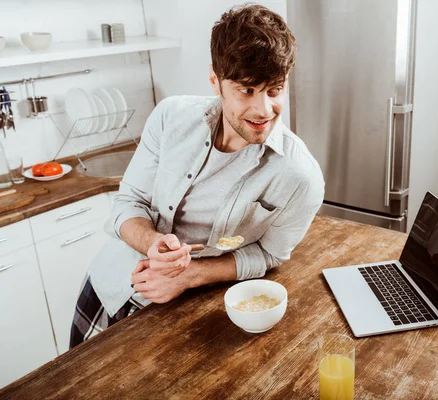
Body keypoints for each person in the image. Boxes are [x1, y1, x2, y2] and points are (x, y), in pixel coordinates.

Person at [70, 4, 324, 348]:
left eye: (274, 90)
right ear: (215, 80)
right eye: (246, 90)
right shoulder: (170, 116)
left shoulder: (300, 177)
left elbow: (269, 255)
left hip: (193, 315)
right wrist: (152, 244)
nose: (263, 110)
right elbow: (129, 203)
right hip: (111, 287)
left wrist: (188, 276)